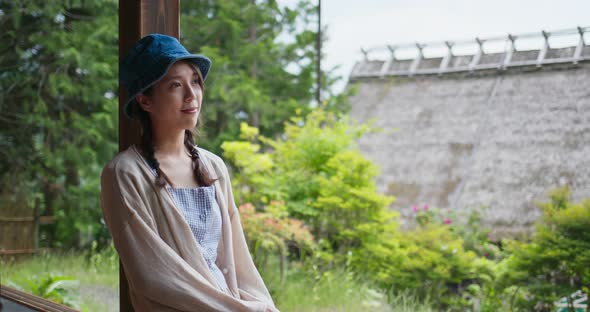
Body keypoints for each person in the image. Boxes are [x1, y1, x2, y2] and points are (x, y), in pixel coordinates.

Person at [100, 34, 278, 311]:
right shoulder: (125, 174)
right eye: (175, 85)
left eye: (195, 81)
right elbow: (153, 277)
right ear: (145, 100)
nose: (191, 94)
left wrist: (263, 305)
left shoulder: (213, 166)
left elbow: (240, 262)